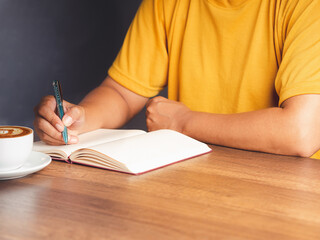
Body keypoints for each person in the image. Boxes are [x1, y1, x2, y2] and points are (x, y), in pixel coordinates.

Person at [34, 0, 320, 158]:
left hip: (287, 189)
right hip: (191, 177)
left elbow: (302, 133)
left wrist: (183, 123)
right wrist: (81, 118)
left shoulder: (306, 6)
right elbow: (122, 92)